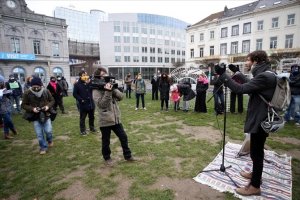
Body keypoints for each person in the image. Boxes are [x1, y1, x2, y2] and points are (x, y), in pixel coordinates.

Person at [216, 50, 277, 196]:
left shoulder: (264, 76)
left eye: (248, 60)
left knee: (256, 151)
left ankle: (255, 185)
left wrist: (223, 75)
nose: (246, 63)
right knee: (257, 150)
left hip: (260, 118)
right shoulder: (266, 73)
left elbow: (241, 89)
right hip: (261, 116)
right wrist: (238, 73)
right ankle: (256, 175)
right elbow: (252, 85)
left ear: (256, 61)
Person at [92, 67, 135, 165]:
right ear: (98, 77)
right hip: (105, 119)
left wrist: (113, 89)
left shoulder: (110, 86)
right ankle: (107, 158)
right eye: (103, 75)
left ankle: (128, 156)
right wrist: (107, 92)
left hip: (115, 118)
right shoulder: (95, 90)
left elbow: (121, 97)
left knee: (123, 137)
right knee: (106, 141)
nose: (105, 77)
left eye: (106, 75)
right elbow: (102, 104)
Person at [21, 77, 55, 154]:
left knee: (48, 131)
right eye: (34, 86)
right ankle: (43, 148)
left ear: (41, 85)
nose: (36, 88)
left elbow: (52, 100)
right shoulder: (27, 93)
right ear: (31, 86)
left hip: (46, 114)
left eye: (37, 86)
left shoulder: (46, 91)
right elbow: (23, 105)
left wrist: (47, 106)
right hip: (35, 116)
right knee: (39, 134)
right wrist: (32, 109)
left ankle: (49, 140)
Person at [73, 71, 96, 136]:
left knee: (92, 117)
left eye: (86, 74)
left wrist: (89, 83)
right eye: (84, 75)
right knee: (82, 118)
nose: (85, 76)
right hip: (83, 104)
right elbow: (75, 94)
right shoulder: (77, 84)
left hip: (91, 103)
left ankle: (92, 128)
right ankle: (82, 130)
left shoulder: (90, 82)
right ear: (80, 76)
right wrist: (80, 99)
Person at [0, 75, 17, 139]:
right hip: (1, 107)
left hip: (7, 105)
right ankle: (13, 129)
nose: (1, 84)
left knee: (6, 121)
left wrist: (9, 92)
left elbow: (9, 95)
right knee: (8, 120)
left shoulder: (4, 87)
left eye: (1, 82)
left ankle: (6, 134)